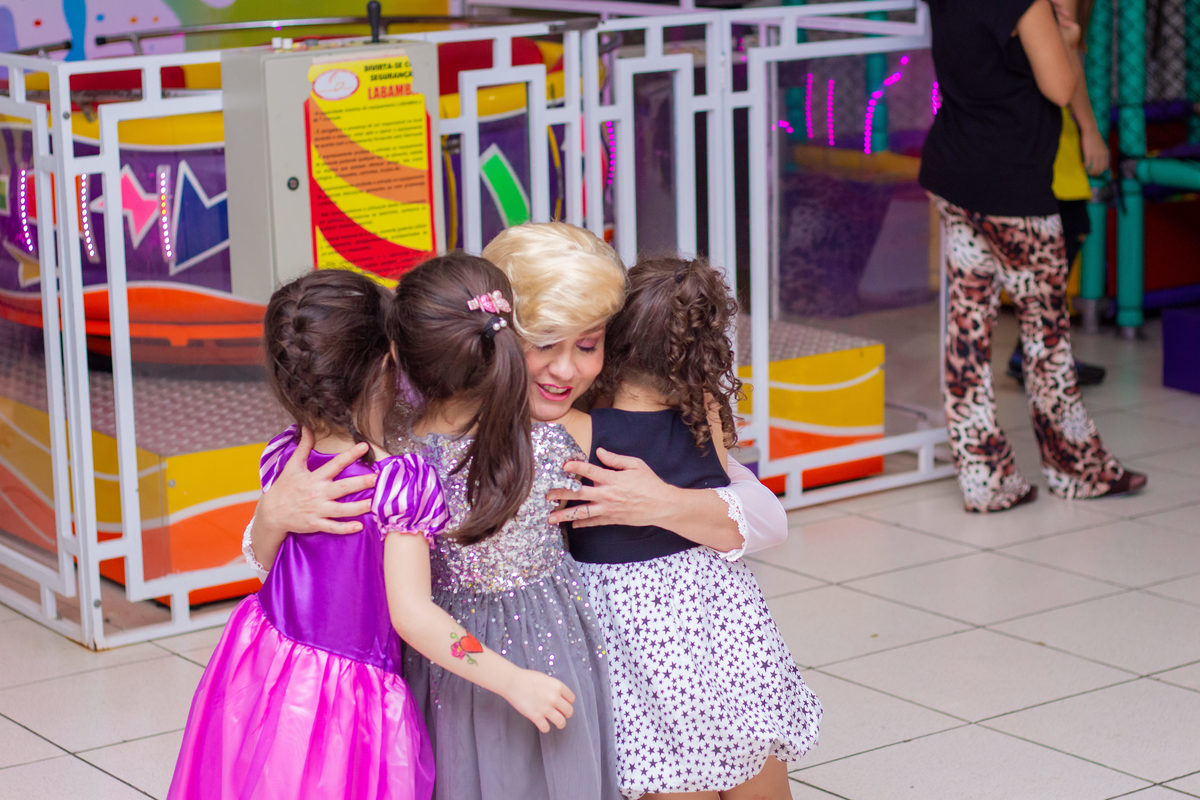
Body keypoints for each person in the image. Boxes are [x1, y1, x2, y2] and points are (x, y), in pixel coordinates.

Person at [169, 269, 575, 800]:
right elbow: (413, 616)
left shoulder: (286, 456)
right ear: (389, 362)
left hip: (262, 663)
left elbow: (269, 566)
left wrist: (271, 516)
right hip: (343, 699)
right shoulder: (398, 486)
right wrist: (512, 680)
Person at [557, 257, 821, 800]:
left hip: (636, 622)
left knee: (668, 755)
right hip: (718, 605)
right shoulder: (709, 408)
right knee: (750, 742)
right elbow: (730, 480)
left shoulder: (580, 430)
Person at [388, 252, 621, 800]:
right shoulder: (549, 434)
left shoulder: (400, 463)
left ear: (399, 356)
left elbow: (412, 610)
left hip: (460, 658)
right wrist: (513, 680)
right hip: (549, 642)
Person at [918, 0, 1146, 512]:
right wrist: (1064, 40)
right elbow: (1060, 87)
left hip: (954, 177)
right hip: (1013, 188)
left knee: (967, 335)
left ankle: (985, 480)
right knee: (1046, 338)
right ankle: (1077, 471)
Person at [1006, 0, 1107, 387]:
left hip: (1047, 132)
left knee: (1066, 234)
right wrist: (1090, 130)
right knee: (1063, 235)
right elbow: (1066, 69)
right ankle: (1037, 350)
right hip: (1047, 134)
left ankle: (1040, 348)